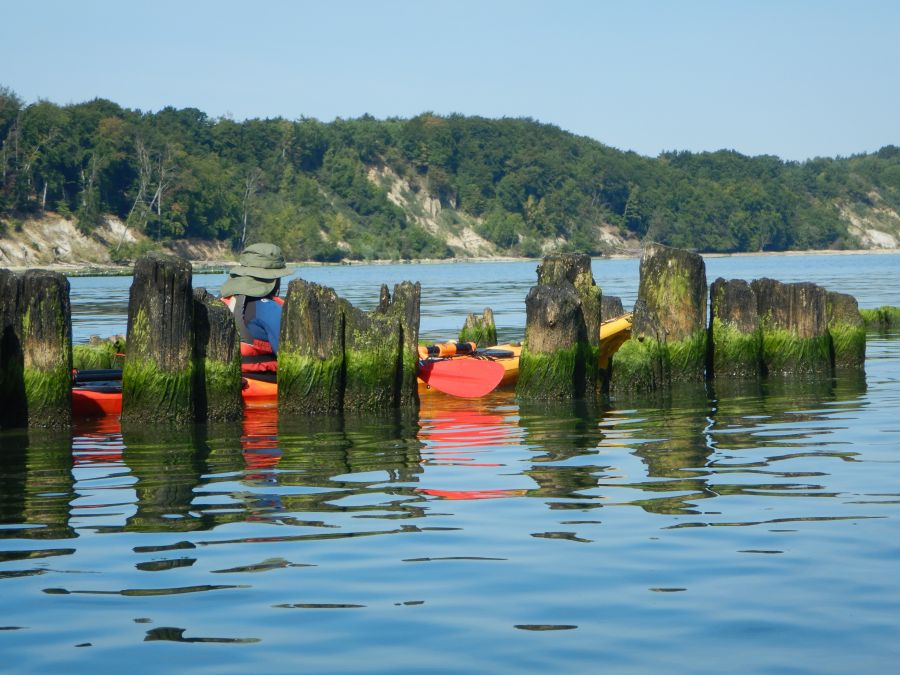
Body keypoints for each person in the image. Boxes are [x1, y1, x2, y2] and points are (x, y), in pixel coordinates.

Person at [220, 243, 294, 379]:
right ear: (275, 279)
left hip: (231, 375)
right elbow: (292, 360)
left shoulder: (223, 303)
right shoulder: (269, 308)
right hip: (262, 379)